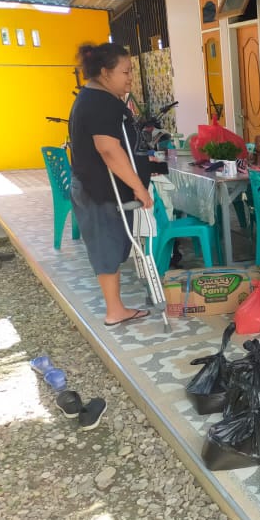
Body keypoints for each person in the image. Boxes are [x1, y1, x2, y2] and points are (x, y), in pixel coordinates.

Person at [68, 42, 154, 327]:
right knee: (107, 247)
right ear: (105, 72)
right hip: (98, 191)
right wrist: (139, 188)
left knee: (113, 245)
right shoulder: (99, 103)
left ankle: (117, 307)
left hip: (98, 188)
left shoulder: (96, 97)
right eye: (125, 71)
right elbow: (108, 149)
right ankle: (114, 311)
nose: (130, 77)